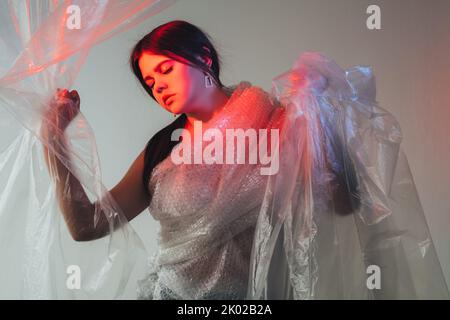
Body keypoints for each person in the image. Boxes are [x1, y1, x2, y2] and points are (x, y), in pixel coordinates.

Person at [40, 20, 448, 300]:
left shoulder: (277, 124)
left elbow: (347, 201)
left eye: (164, 69)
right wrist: (53, 139)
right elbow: (87, 225)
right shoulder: (163, 149)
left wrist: (320, 113)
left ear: (203, 57)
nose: (157, 86)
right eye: (149, 82)